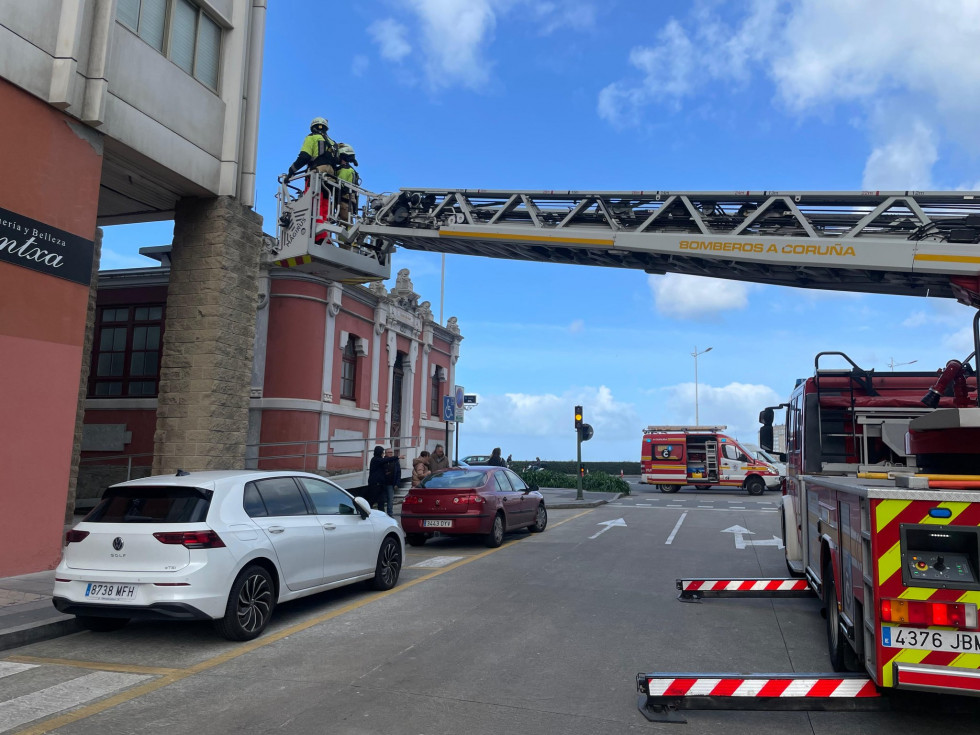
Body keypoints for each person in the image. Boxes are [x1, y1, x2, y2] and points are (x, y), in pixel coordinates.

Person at [285, 117, 338, 242]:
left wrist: (291, 172)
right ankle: (325, 236)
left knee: (313, 202)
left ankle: (317, 235)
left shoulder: (312, 138)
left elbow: (304, 156)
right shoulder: (333, 143)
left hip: (317, 173)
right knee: (325, 204)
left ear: (313, 127)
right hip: (331, 177)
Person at [367, 445, 400, 514]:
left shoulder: (379, 460)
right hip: (375, 485)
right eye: (383, 452)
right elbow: (385, 460)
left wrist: (385, 473)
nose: (383, 454)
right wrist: (397, 457)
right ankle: (366, 513)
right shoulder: (375, 459)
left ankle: (382, 516)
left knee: (381, 502)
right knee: (372, 500)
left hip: (381, 485)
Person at [335, 143, 360, 224]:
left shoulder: (344, 170)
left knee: (344, 225)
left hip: (343, 202)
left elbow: (340, 186)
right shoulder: (350, 170)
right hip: (348, 203)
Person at [381, 448, 402, 516]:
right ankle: (382, 513)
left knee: (390, 499)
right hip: (383, 483)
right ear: (386, 453)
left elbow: (398, 473)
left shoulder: (395, 461)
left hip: (391, 483)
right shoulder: (383, 460)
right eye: (389, 452)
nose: (390, 453)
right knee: (382, 499)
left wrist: (397, 483)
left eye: (391, 452)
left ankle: (390, 513)